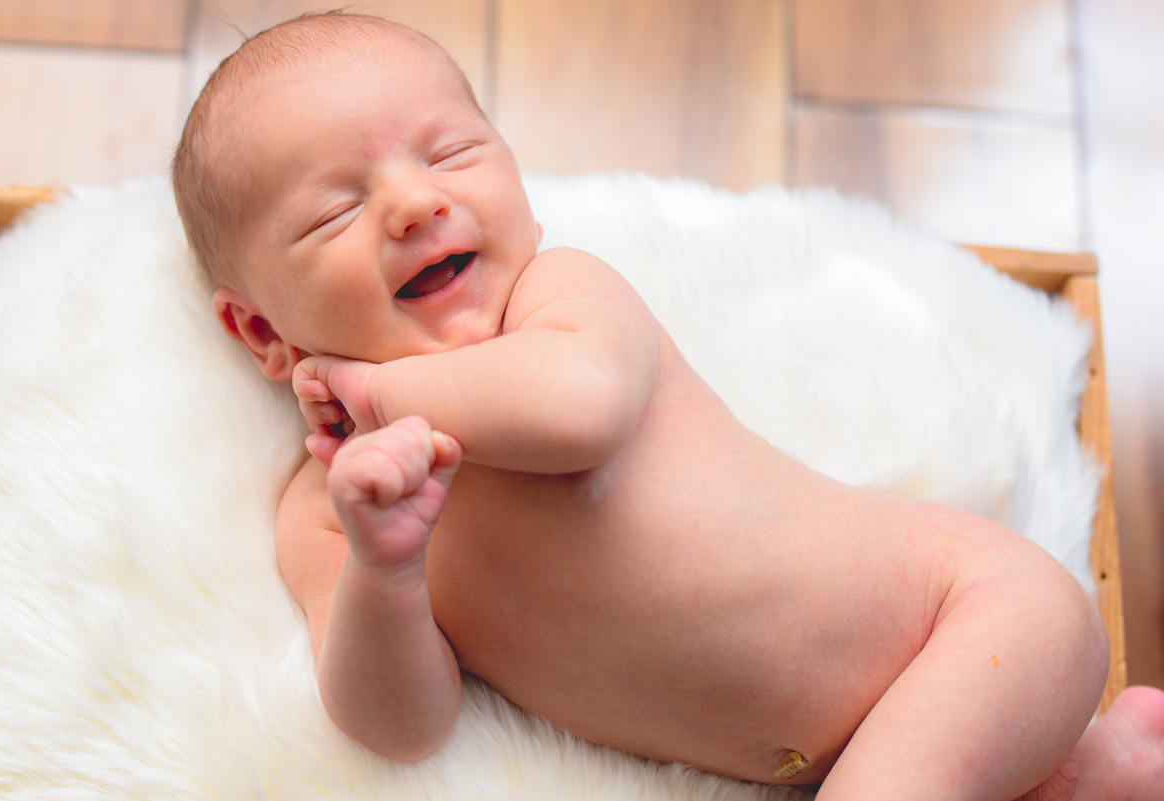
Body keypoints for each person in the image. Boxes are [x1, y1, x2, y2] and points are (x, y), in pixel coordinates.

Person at [171, 12, 1164, 800]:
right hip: (848, 747)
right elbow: (401, 725)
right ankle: (1085, 781)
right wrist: (386, 570)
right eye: (338, 209)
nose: (414, 203)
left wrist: (382, 390)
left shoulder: (558, 301)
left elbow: (580, 412)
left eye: (451, 152)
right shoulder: (329, 506)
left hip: (973, 617)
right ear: (262, 334)